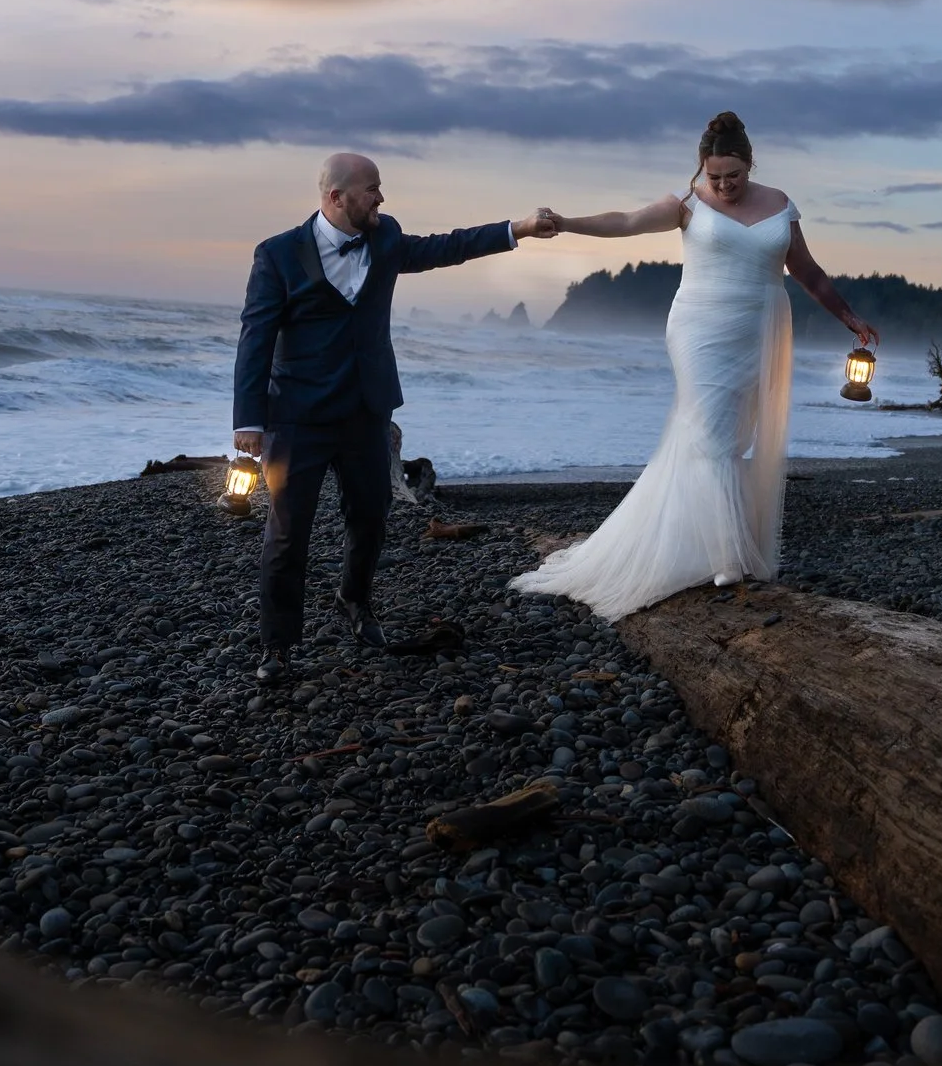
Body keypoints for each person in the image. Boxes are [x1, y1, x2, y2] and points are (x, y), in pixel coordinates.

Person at [510, 111, 877, 622]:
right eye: (715, 176)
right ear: (703, 169)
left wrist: (848, 316)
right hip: (699, 328)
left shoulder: (779, 204)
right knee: (712, 435)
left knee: (732, 436)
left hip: (760, 330)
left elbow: (807, 271)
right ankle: (726, 556)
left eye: (734, 176)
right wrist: (567, 222)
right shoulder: (687, 203)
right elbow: (626, 222)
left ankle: (693, 541)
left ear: (750, 165)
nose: (724, 186)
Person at [234, 152, 557, 683]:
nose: (381, 198)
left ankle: (354, 600)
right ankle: (278, 645)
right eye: (372, 189)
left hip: (367, 411)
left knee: (370, 516)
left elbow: (446, 247)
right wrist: (248, 419)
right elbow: (256, 337)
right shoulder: (277, 254)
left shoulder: (385, 237)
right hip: (296, 417)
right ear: (336, 197)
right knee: (288, 532)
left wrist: (517, 228)